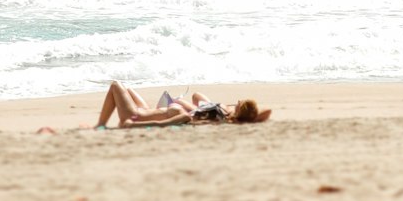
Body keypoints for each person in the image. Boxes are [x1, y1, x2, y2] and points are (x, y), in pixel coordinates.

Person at [95, 81, 271, 128]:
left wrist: (133, 124)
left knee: (115, 85)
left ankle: (100, 125)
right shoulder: (225, 116)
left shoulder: (192, 116)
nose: (237, 101)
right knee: (126, 88)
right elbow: (265, 112)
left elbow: (161, 123)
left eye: (240, 103)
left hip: (135, 116)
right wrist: (249, 117)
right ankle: (100, 124)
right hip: (144, 112)